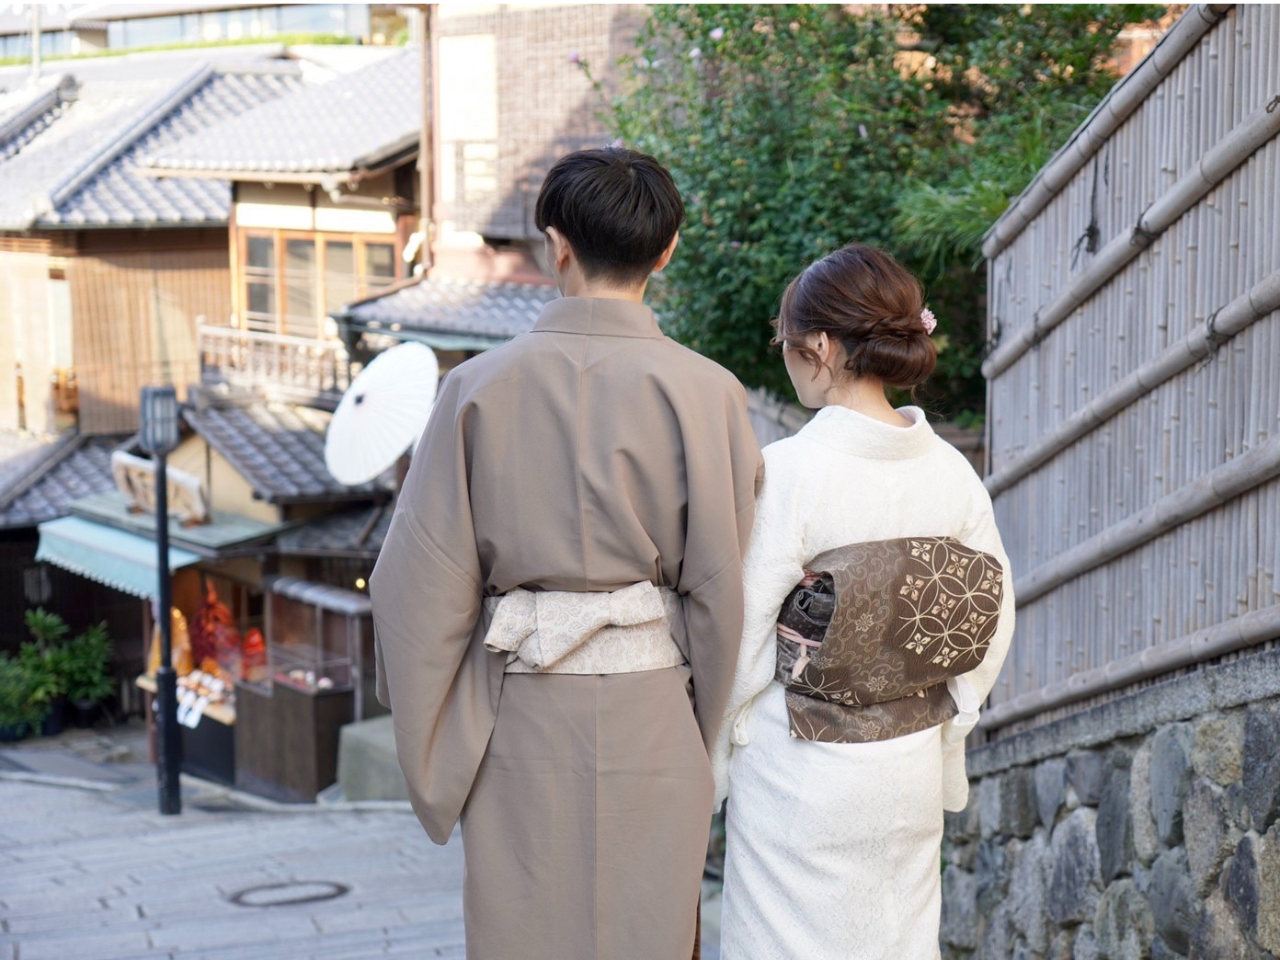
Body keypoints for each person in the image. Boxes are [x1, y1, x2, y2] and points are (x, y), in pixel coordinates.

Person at [369, 147, 764, 960]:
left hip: (520, 717)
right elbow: (722, 592)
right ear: (667, 250)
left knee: (525, 930)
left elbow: (415, 588)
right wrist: (699, 731)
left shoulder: (475, 388)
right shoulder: (710, 392)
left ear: (557, 245)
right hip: (654, 716)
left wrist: (445, 733)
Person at [711, 243, 1016, 959]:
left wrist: (721, 754)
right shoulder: (952, 473)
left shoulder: (791, 470)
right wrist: (950, 725)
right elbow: (990, 621)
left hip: (799, 769)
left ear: (818, 347)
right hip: (908, 767)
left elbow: (743, 635)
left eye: (786, 343)